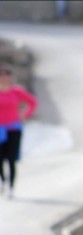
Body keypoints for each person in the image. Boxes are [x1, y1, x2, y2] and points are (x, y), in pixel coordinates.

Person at [0, 63, 37, 198]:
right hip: (0, 129)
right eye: (2, 76)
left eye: (6, 76)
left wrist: (25, 115)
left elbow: (32, 102)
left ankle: (11, 187)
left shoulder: (16, 91)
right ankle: (3, 181)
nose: (4, 78)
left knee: (11, 159)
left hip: (14, 128)